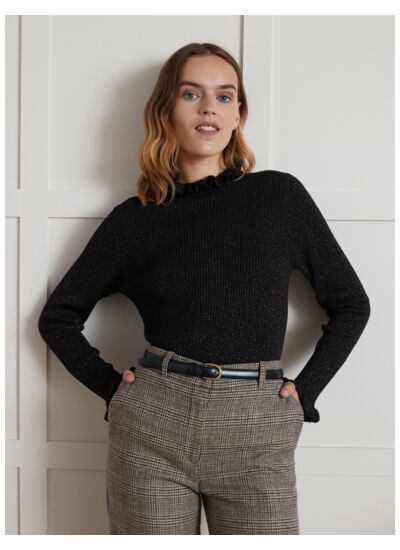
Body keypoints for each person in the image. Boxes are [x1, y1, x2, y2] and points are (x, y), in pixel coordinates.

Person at [37, 42, 371, 535]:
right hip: (152, 429)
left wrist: (306, 392)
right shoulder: (135, 220)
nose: (209, 107)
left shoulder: (278, 197)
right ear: (165, 110)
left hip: (258, 426)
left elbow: (351, 305)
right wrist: (111, 389)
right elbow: (58, 318)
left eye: (224, 96)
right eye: (191, 94)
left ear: (238, 115)